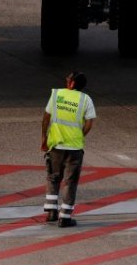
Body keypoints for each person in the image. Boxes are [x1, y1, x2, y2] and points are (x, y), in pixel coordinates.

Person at [40, 71, 95, 228]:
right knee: (70, 182)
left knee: (53, 177)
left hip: (56, 145)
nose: (66, 80)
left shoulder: (57, 95)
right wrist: (80, 135)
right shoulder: (86, 99)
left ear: (72, 83)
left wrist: (44, 138)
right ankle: (65, 218)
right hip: (74, 148)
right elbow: (90, 122)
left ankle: (51, 212)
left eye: (68, 79)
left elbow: (46, 118)